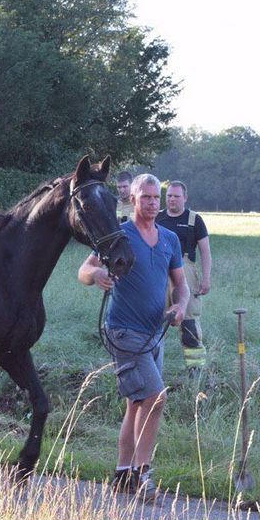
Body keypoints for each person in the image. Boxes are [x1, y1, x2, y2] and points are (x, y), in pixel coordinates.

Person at [78, 173, 187, 502]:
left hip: (156, 335)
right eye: (146, 198)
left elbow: (180, 284)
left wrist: (180, 306)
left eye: (157, 198)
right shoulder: (119, 234)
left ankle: (123, 474)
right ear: (133, 200)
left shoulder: (169, 239)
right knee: (156, 397)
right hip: (124, 331)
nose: (153, 203)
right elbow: (83, 270)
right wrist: (97, 273)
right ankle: (144, 474)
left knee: (137, 404)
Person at [155, 180, 211, 372]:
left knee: (189, 324)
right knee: (153, 320)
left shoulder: (194, 219)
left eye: (176, 196)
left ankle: (195, 373)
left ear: (185, 198)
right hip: (159, 271)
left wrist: (206, 278)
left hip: (186, 272)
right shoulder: (157, 217)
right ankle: (153, 369)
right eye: (169, 195)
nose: (172, 199)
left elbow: (205, 251)